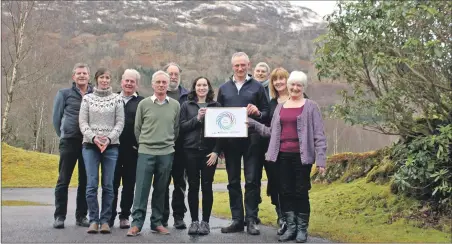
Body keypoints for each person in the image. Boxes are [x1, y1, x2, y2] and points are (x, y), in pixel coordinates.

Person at [247, 71, 327, 242]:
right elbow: (271, 132)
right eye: (293, 85)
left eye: (299, 85)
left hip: (302, 157)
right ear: (288, 86)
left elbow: (319, 135)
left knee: (300, 192)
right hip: (281, 156)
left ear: (303, 87)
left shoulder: (311, 106)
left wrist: (321, 159)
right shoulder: (280, 107)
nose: (295, 88)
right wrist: (254, 124)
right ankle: (290, 228)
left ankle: (301, 229)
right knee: (285, 192)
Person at [217, 52, 269, 235]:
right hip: (231, 141)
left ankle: (251, 220)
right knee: (232, 181)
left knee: (252, 180)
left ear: (249, 65)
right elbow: (219, 117)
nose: (240, 68)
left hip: (252, 140)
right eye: (236, 65)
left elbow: (266, 113)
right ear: (232, 66)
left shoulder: (258, 87)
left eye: (243, 65)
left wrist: (258, 112)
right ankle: (237, 220)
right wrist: (219, 146)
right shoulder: (224, 88)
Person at [127, 70, 181, 237]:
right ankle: (136, 223)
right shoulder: (143, 104)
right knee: (141, 189)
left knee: (161, 189)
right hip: (146, 151)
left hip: (166, 152)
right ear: (152, 84)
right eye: (158, 82)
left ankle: (157, 222)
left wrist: (167, 143)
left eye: (164, 82)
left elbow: (176, 129)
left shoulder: (175, 105)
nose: (161, 85)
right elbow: (137, 129)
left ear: (167, 85)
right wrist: (145, 143)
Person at [79, 68, 125, 234]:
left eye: (107, 77)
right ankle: (93, 220)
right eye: (102, 77)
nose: (104, 80)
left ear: (110, 80)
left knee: (108, 185)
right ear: (96, 79)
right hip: (90, 146)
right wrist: (95, 139)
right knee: (91, 185)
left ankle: (105, 220)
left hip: (111, 147)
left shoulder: (117, 99)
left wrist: (108, 139)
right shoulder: (87, 99)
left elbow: (120, 123)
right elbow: (83, 123)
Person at [179, 77, 222, 235]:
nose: (202, 87)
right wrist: (197, 118)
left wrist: (217, 151)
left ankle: (205, 222)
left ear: (209, 87)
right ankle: (194, 221)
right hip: (190, 151)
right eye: (199, 85)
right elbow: (182, 127)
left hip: (209, 153)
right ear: (194, 87)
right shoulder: (186, 105)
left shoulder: (216, 106)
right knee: (193, 187)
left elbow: (222, 131)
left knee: (207, 186)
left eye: (205, 85)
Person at [52, 63, 93, 229]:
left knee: (85, 181)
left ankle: (81, 216)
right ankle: (59, 216)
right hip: (69, 141)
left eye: (84, 73)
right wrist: (63, 134)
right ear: (73, 77)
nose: (82, 76)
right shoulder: (64, 94)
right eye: (78, 73)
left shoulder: (94, 94)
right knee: (63, 180)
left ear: (89, 76)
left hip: (89, 143)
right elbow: (56, 118)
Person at [109, 69, 144, 229]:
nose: (129, 83)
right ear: (121, 81)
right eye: (127, 80)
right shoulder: (112, 99)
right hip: (112, 149)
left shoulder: (142, 102)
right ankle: (109, 216)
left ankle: (124, 216)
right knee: (112, 184)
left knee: (129, 185)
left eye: (132, 81)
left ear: (137, 84)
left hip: (133, 150)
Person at [162, 62, 189, 229]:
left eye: (175, 74)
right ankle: (162, 217)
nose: (173, 77)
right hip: (162, 146)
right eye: (169, 74)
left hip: (181, 147)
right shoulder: (157, 94)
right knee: (162, 183)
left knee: (180, 183)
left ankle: (179, 216)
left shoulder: (187, 96)